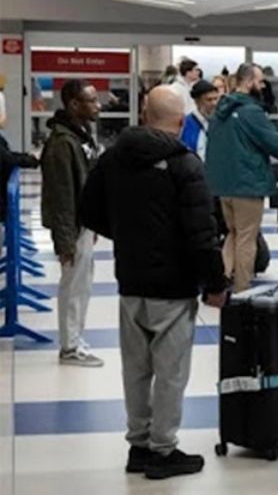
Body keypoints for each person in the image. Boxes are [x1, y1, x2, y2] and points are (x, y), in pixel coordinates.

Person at [79, 86, 227, 480]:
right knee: (170, 373)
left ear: (145, 116)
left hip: (130, 280)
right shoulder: (185, 164)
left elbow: (88, 210)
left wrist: (128, 237)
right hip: (173, 287)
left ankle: (138, 446)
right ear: (180, 122)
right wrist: (215, 283)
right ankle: (163, 450)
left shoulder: (114, 157)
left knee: (135, 369)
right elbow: (202, 233)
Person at [205, 63, 278, 292]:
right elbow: (277, 145)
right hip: (247, 185)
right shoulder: (251, 112)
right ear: (248, 82)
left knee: (233, 234)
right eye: (260, 81)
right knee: (247, 238)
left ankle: (219, 284)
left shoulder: (220, 111)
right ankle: (242, 291)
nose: (263, 85)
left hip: (223, 186)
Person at [40, 79, 103, 368]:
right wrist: (65, 241)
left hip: (83, 222)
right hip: (72, 226)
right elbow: (62, 196)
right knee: (73, 287)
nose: (98, 106)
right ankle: (69, 347)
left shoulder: (80, 136)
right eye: (92, 101)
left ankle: (76, 339)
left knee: (83, 284)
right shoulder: (62, 143)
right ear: (74, 104)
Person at [179, 80, 218, 161]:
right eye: (209, 100)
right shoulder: (186, 124)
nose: (214, 103)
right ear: (197, 101)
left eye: (215, 99)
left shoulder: (219, 122)